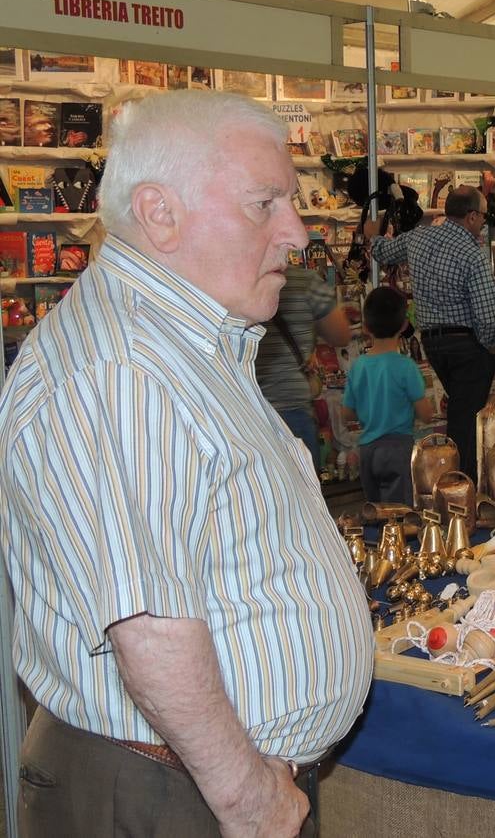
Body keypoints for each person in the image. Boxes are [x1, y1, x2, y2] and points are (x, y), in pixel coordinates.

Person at [0, 90, 373, 836]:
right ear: (159, 213)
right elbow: (150, 625)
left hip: (201, 776)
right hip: (174, 789)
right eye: (264, 204)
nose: (296, 234)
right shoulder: (125, 369)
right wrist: (247, 796)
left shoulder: (187, 346)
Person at [373, 185, 495, 482]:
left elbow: (382, 251)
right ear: (470, 216)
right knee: (466, 419)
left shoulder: (418, 236)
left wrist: (373, 233)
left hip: (432, 341)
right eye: (482, 216)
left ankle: (454, 478)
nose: (483, 221)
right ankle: (460, 484)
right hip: (465, 342)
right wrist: (487, 343)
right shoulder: (473, 252)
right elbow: (487, 315)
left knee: (459, 410)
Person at [343, 285, 434, 504]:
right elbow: (426, 414)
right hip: (398, 449)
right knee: (399, 513)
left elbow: (347, 414)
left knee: (375, 511)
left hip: (367, 450)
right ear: (403, 325)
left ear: (366, 327)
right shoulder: (406, 366)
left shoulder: (358, 366)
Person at [256, 264, 351, 470]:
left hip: (246, 411)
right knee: (304, 495)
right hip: (292, 407)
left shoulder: (228, 281)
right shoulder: (304, 281)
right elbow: (340, 335)